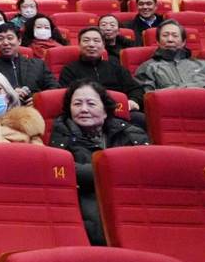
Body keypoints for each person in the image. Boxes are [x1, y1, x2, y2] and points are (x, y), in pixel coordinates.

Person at [49, 79, 149, 245]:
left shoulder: (130, 133)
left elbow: (144, 169)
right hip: (85, 200)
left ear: (105, 110)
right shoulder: (61, 134)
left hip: (131, 199)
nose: (84, 109)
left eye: (91, 103)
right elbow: (63, 171)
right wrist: (115, 172)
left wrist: (98, 173)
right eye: (77, 104)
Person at [59, 27, 146, 128]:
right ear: (79, 45)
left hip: (118, 111)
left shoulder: (115, 67)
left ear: (103, 45)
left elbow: (135, 89)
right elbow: (67, 96)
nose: (91, 45)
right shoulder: (69, 69)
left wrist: (133, 100)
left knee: (140, 119)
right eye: (86, 40)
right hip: (87, 112)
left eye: (96, 41)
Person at [135, 19, 205, 92]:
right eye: (165, 35)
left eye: (175, 35)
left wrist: (203, 91)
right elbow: (147, 96)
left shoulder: (203, 64)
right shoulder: (148, 67)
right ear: (158, 42)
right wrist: (183, 90)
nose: (170, 39)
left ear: (183, 42)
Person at [0, 23, 58, 104]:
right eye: (0, 39)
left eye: (10, 38)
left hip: (35, 108)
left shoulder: (38, 65)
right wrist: (8, 96)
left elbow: (54, 88)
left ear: (19, 41)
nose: (5, 43)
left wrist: (38, 99)